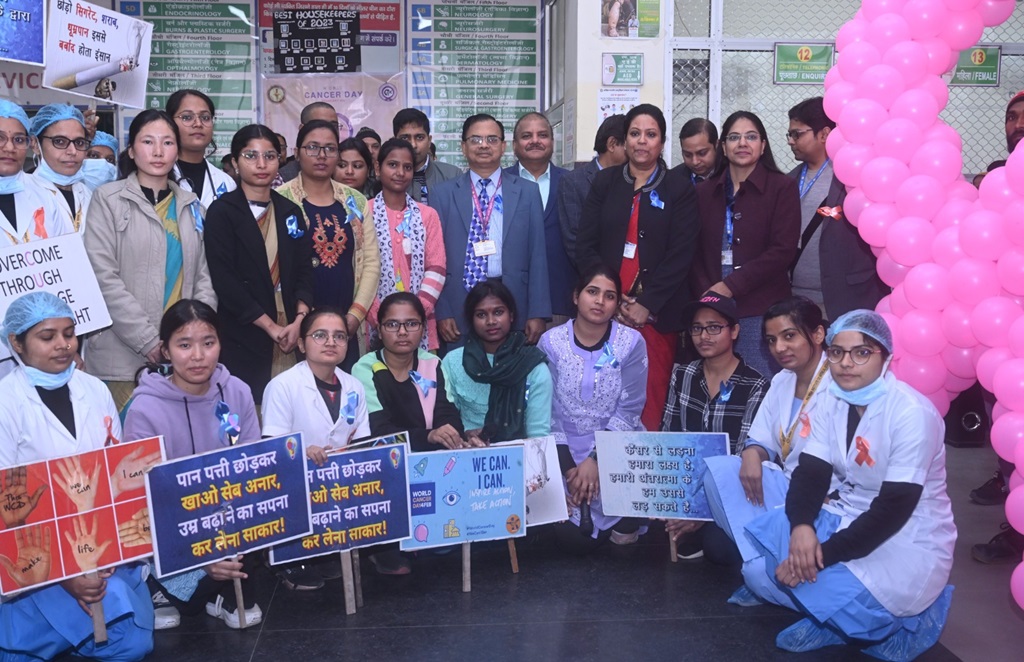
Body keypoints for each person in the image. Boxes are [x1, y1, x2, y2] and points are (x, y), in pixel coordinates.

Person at [743, 310, 955, 661]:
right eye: (837, 352)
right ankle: (829, 616)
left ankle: (903, 619)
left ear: (885, 357)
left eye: (861, 352)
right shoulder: (831, 400)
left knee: (815, 582)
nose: (846, 363)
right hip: (848, 511)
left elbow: (893, 510)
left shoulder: (911, 414)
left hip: (906, 536)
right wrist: (801, 528)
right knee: (764, 563)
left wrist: (818, 556)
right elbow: (810, 473)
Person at [0, 292, 153, 660]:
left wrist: (105, 553)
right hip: (34, 557)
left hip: (99, 548)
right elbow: (8, 508)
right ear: (16, 342)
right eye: (47, 336)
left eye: (69, 333)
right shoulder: (5, 402)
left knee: (132, 644)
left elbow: (115, 477)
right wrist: (64, 575)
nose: (63, 345)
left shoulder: (95, 390)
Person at [123, 299, 261, 630]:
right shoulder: (143, 409)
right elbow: (145, 498)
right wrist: (201, 549)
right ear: (166, 351)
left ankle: (216, 587)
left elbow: (254, 467)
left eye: (208, 343)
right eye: (184, 345)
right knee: (186, 592)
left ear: (220, 345)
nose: (198, 356)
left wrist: (225, 537)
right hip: (174, 526)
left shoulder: (236, 391)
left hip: (229, 519)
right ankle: (163, 587)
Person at [576, 103, 700, 432]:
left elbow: (682, 252)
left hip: (655, 316)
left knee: (650, 396)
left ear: (661, 142)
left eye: (650, 134)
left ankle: (643, 475)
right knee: (602, 394)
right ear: (624, 140)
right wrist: (608, 299)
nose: (641, 141)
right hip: (607, 312)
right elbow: (585, 243)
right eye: (634, 134)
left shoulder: (678, 187)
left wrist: (647, 304)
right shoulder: (605, 183)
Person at [702, 296, 831, 606]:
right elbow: (760, 440)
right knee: (718, 472)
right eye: (772, 340)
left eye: (790, 336)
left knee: (758, 575)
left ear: (817, 334)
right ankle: (765, 559)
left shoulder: (841, 382)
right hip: (789, 486)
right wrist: (751, 455)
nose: (780, 348)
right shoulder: (782, 381)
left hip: (827, 498)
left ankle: (773, 573)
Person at [85, 109, 217, 411]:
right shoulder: (107, 200)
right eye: (148, 141)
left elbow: (205, 278)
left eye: (167, 143)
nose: (158, 152)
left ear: (177, 150)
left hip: (184, 358)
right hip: (120, 356)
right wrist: (149, 341)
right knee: (129, 452)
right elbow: (102, 277)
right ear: (131, 150)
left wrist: (192, 338)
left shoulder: (192, 206)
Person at [539, 265, 648, 551]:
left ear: (616, 305)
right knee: (573, 541)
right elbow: (547, 413)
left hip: (616, 446)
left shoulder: (631, 343)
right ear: (576, 297)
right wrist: (571, 472)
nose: (600, 301)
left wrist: (597, 460)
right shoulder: (550, 342)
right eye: (592, 292)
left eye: (610, 296)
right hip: (563, 450)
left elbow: (630, 410)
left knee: (623, 532)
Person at [262, 306, 371, 587]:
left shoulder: (354, 387)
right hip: (295, 486)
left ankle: (327, 548)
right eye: (320, 335)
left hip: (337, 487)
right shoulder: (282, 386)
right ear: (301, 343)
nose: (331, 342)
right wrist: (301, 450)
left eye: (340, 336)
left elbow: (361, 441)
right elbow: (271, 449)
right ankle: (287, 559)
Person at [203, 124, 313, 403]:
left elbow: (303, 271)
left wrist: (299, 320)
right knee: (248, 411)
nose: (261, 164)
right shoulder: (223, 212)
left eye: (270, 156)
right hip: (243, 331)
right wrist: (271, 327)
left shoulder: (290, 211)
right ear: (235, 162)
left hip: (291, 330)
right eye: (251, 156)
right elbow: (225, 280)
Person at [691, 110, 801, 378]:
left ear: (763, 145)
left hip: (760, 308)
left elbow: (782, 252)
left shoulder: (782, 188)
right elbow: (691, 251)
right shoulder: (703, 192)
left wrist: (730, 286)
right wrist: (708, 296)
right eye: (734, 137)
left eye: (751, 137)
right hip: (713, 311)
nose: (742, 143)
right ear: (723, 148)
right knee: (717, 385)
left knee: (758, 385)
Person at [662, 292, 768, 561]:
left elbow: (744, 455)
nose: (703, 336)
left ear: (734, 331)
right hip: (685, 489)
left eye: (714, 327)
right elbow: (668, 438)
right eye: (697, 328)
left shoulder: (755, 385)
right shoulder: (682, 374)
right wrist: (678, 503)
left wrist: (703, 513)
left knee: (718, 548)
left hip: (729, 493)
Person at [432, 113, 551, 346]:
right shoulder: (442, 194)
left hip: (514, 304)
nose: (484, 145)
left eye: (492, 139)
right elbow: (435, 257)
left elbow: (538, 255)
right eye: (476, 140)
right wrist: (442, 311)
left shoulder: (527, 192)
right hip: (458, 306)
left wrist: (537, 312)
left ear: (504, 146)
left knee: (510, 378)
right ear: (463, 147)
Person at [277, 119, 381, 367]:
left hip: (347, 321)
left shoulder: (354, 200)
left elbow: (371, 263)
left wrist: (355, 316)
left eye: (330, 148)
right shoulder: (281, 199)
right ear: (296, 153)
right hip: (296, 321)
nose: (321, 155)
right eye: (312, 147)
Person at [786, 97, 886, 319]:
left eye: (797, 134)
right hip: (795, 298)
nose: (790, 141)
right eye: (789, 135)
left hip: (846, 297)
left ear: (824, 134)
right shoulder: (788, 181)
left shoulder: (852, 177)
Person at [442, 279, 552, 444]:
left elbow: (538, 435)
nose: (491, 321)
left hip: (520, 457)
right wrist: (465, 435)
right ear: (471, 320)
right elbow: (446, 419)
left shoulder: (531, 365)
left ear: (512, 315)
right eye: (481, 315)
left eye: (498, 312)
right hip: (465, 452)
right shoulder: (454, 361)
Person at [352, 292, 465, 452]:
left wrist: (449, 435)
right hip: (386, 461)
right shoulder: (365, 368)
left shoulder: (432, 363)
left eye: (411, 324)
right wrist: (429, 436)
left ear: (423, 328)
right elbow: (378, 433)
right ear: (379, 330)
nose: (402, 332)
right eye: (392, 325)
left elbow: (448, 416)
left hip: (431, 457)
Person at [366, 138, 446, 351]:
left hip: (422, 323)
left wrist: (415, 316)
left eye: (407, 167)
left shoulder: (427, 215)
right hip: (372, 322)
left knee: (423, 382)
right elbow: (358, 271)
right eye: (392, 165)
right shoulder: (364, 213)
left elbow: (436, 269)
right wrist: (381, 318)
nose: (400, 172)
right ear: (377, 167)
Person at [505, 111, 574, 324]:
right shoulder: (500, 184)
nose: (535, 141)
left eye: (542, 135)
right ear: (514, 145)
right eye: (527, 136)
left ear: (552, 142)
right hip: (508, 304)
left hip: (561, 301)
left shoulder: (573, 182)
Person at [557, 114, 627, 269]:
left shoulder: (635, 180)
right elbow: (574, 242)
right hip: (595, 278)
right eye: (629, 143)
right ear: (612, 144)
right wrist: (605, 280)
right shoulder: (573, 182)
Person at [28, 104, 94, 233]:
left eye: (79, 142)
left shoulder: (87, 194)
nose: (72, 151)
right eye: (59, 141)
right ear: (35, 144)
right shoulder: (25, 194)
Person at [166, 89, 236, 208]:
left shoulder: (226, 183)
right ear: (170, 123)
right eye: (187, 117)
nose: (198, 123)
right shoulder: (158, 176)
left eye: (205, 117)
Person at [392, 108, 463, 205]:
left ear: (429, 141)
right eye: (405, 138)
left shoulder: (452, 175)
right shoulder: (388, 178)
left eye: (419, 137)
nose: (413, 145)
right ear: (394, 141)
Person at [278, 102, 339, 183]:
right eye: (319, 124)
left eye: (333, 126)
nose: (327, 130)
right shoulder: (282, 180)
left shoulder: (346, 172)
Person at [674, 117, 719, 184]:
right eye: (688, 155)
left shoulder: (732, 174)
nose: (695, 162)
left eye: (702, 153)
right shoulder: (674, 179)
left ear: (717, 145)